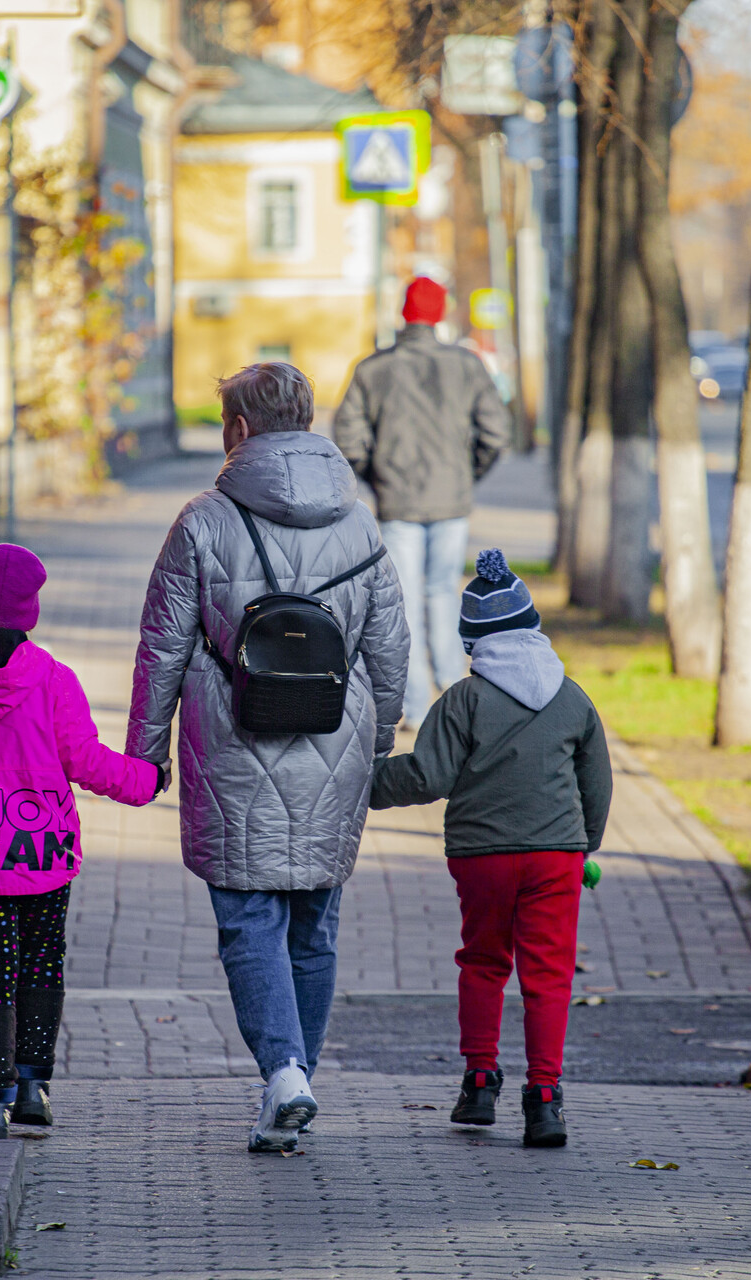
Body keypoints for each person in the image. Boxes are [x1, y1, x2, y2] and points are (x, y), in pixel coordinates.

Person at [128, 362, 408, 1153]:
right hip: (334, 746)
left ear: (240, 431)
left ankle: (285, 1077)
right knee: (313, 928)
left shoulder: (202, 521)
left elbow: (161, 650)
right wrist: (375, 746)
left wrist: (146, 756)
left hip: (232, 746)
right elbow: (389, 651)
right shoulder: (361, 524)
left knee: (251, 922)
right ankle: (295, 1083)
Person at [0, 543, 165, 1140]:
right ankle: (33, 1087)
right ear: (29, 612)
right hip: (44, 859)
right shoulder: (53, 680)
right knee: (42, 962)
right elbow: (85, 760)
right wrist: (148, 781)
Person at [369, 549, 612, 1148]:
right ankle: (546, 1099)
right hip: (556, 854)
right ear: (533, 626)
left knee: (483, 962)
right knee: (548, 976)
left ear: (472, 643)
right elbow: (597, 783)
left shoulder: (463, 699)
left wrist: (363, 784)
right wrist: (584, 848)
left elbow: (427, 775)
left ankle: (479, 1082)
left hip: (481, 857)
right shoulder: (573, 698)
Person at [334, 276, 511, 727]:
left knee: (404, 605)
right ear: (440, 314)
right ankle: (454, 694)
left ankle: (414, 708)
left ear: (403, 314)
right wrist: (466, 475)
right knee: (444, 594)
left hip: (398, 503)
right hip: (452, 502)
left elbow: (348, 436)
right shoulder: (466, 366)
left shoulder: (373, 369)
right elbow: (496, 432)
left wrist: (377, 476)